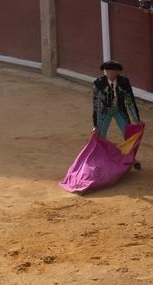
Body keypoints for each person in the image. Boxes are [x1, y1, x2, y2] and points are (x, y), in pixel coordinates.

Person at [60, 59, 145, 192]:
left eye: (112, 71)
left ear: (117, 72)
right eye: (107, 71)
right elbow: (96, 105)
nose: (109, 74)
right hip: (105, 111)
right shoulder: (98, 83)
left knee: (128, 134)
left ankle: (131, 159)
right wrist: (96, 123)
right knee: (100, 136)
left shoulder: (124, 82)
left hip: (119, 110)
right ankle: (97, 164)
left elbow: (129, 101)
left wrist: (136, 119)